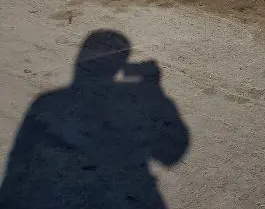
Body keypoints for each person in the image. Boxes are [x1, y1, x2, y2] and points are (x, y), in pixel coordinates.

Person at [0, 30, 189, 208]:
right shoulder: (133, 101)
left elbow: (17, 166)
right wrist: (154, 91)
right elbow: (171, 154)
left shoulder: (47, 103)